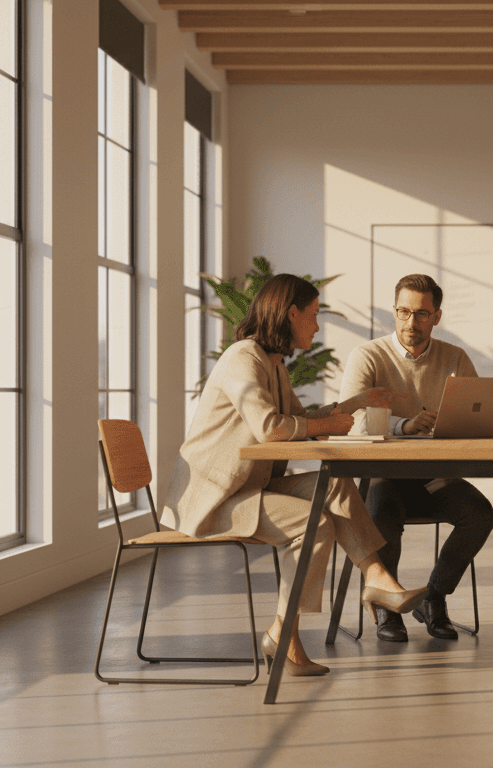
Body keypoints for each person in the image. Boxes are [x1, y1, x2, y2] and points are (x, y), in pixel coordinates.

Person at [163, 274, 427, 677]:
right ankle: (284, 634)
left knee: (336, 483)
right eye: (314, 315)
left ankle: (377, 578)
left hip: (249, 486)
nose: (318, 326)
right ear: (291, 313)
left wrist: (355, 403)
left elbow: (301, 420)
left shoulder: (272, 362)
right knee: (313, 523)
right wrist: (329, 426)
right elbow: (271, 427)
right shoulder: (243, 357)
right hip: (213, 500)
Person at [338, 274, 493, 641]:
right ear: (394, 312)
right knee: (379, 511)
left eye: (422, 314)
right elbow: (352, 420)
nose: (412, 323)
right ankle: (387, 607)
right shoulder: (368, 355)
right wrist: (404, 425)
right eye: (404, 312)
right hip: (383, 475)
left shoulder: (455, 358)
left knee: (479, 514)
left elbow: (476, 416)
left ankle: (434, 599)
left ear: (437, 316)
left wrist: (458, 423)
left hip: (431, 476)